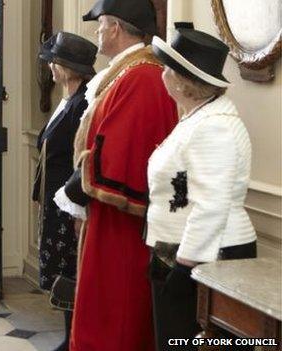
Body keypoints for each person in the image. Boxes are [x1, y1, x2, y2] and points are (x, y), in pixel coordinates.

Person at [52, 0, 178, 349]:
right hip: (106, 217)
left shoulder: (142, 77)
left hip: (121, 225)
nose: (98, 32)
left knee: (117, 313)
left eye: (102, 24)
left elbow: (121, 153)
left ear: (117, 28)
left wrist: (74, 191)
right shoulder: (130, 72)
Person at [147, 23, 257, 351]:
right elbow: (183, 187)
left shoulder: (214, 128)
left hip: (207, 256)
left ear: (181, 80)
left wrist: (184, 267)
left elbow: (212, 204)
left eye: (166, 67)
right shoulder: (198, 118)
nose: (161, 73)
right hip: (183, 251)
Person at [32, 31, 97, 351]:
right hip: (56, 200)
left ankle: (74, 339)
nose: (51, 67)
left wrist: (77, 207)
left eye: (55, 62)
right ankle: (70, 336)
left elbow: (83, 158)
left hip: (70, 204)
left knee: (72, 273)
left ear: (70, 68)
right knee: (63, 273)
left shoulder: (84, 101)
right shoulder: (68, 97)